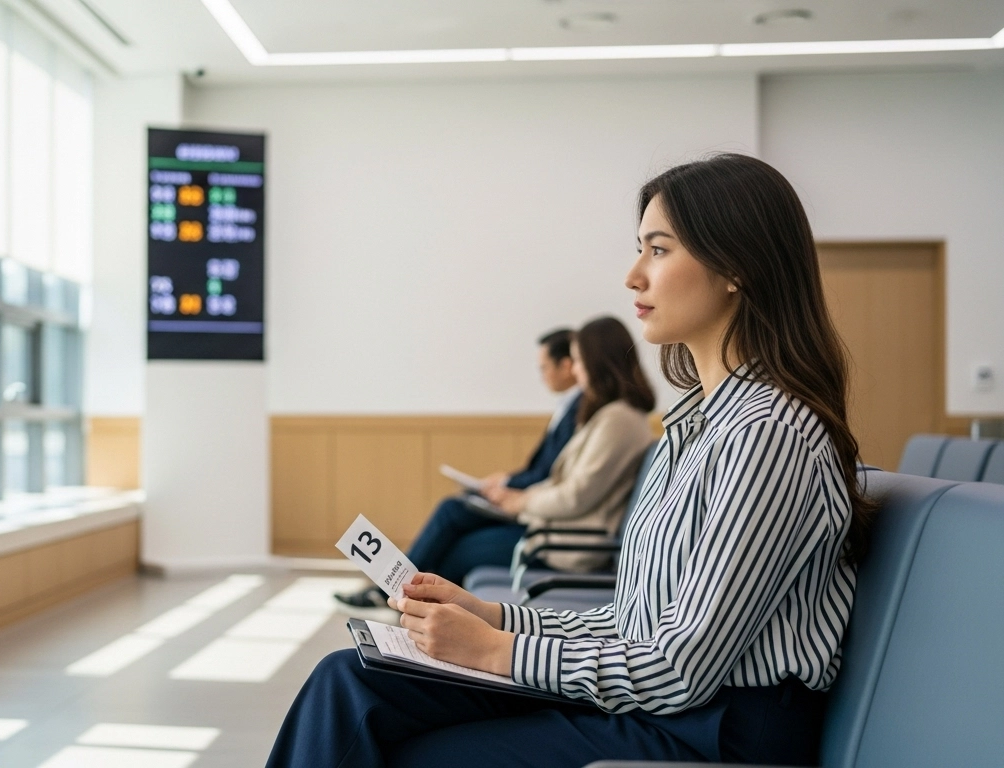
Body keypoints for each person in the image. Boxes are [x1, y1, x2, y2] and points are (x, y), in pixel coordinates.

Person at [270, 153, 873, 767]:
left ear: (736, 268)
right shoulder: (695, 423)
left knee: (418, 751)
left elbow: (679, 666)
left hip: (715, 726)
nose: (633, 276)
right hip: (668, 703)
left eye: (659, 251)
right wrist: (493, 616)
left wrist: (495, 650)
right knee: (351, 679)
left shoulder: (768, 434)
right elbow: (635, 623)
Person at [336, 320, 653, 611]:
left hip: (568, 547)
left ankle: (413, 613)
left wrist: (520, 501)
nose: (577, 372)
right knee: (457, 536)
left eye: (580, 361)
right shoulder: (613, 416)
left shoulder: (618, 420)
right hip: (554, 533)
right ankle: (412, 611)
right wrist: (516, 498)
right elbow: (566, 485)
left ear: (599, 363)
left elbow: (575, 495)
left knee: (460, 550)